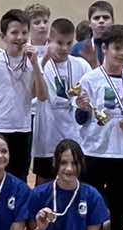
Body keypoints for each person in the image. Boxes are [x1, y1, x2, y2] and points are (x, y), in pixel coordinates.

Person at [70, 24, 123, 230]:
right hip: (93, 151)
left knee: (121, 206)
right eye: (117, 48)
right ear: (104, 48)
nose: (122, 53)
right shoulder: (90, 79)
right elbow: (80, 119)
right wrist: (83, 108)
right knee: (87, 203)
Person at [0, 8, 47, 179]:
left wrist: (36, 64)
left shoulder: (33, 61)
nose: (20, 37)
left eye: (24, 32)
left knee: (20, 177)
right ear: (3, 37)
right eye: (14, 32)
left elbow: (42, 96)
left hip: (22, 128)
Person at [32, 17, 91, 183]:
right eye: (59, 43)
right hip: (47, 134)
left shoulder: (82, 65)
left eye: (69, 43)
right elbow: (38, 95)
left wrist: (84, 103)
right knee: (44, 182)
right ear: (49, 40)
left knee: (74, 181)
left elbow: (90, 97)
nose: (64, 48)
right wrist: (42, 62)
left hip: (74, 134)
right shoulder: (39, 64)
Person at [78, 0, 116, 67]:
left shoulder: (119, 48)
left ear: (113, 21)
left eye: (106, 17)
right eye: (96, 18)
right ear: (89, 23)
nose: (101, 21)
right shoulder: (79, 48)